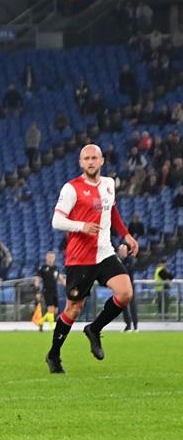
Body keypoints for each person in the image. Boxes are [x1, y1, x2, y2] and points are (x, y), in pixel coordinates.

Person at [46, 144, 139, 374]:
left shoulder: (109, 184)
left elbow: (112, 211)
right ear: (80, 163)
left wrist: (126, 234)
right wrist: (81, 226)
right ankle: (53, 355)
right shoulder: (71, 188)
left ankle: (94, 329)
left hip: (105, 252)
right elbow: (57, 221)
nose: (90, 161)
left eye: (94, 158)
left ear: (101, 161)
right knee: (74, 309)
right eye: (86, 158)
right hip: (80, 258)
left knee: (125, 292)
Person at [34, 251, 65, 331]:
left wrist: (69, 287)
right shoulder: (43, 268)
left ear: (54, 258)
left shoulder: (56, 268)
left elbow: (61, 279)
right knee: (50, 309)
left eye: (52, 257)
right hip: (47, 290)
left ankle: (40, 322)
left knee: (55, 311)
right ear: (46, 258)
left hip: (55, 290)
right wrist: (37, 291)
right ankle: (52, 327)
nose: (51, 259)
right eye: (49, 257)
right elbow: (37, 279)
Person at [117, 244, 139, 331]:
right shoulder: (118, 261)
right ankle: (128, 325)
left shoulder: (130, 260)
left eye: (123, 250)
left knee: (132, 305)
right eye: (120, 251)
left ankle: (135, 325)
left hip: (129, 284)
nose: (121, 252)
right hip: (121, 285)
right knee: (123, 306)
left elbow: (129, 269)